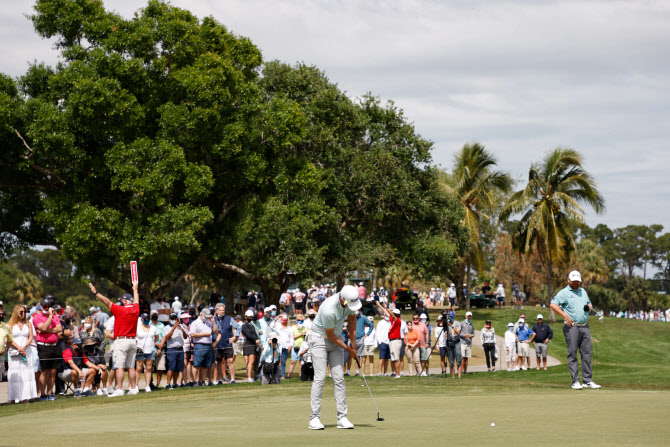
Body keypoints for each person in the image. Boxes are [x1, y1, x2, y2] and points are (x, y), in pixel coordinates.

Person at [307, 284, 361, 430]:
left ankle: (342, 417)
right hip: (319, 339)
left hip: (336, 339)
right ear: (343, 300)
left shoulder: (349, 300)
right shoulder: (328, 309)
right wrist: (348, 349)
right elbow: (329, 335)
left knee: (339, 377)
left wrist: (353, 342)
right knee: (320, 377)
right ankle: (314, 418)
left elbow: (352, 320)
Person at [550, 270, 601, 390]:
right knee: (572, 353)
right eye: (573, 281)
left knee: (587, 353)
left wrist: (589, 307)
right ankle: (575, 381)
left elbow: (589, 303)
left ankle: (587, 381)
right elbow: (553, 304)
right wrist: (565, 316)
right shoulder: (564, 292)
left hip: (585, 326)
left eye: (577, 281)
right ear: (569, 280)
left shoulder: (582, 291)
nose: (576, 283)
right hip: (571, 326)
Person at [89, 281, 140, 397]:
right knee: (131, 367)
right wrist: (135, 289)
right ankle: (133, 388)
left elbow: (106, 301)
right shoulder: (136, 310)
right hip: (132, 340)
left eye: (123, 300)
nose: (122, 301)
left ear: (125, 301)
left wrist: (96, 293)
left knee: (119, 366)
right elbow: (136, 301)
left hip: (121, 340)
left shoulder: (120, 310)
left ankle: (120, 389)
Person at [6, 305, 38, 403]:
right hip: (15, 351)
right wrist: (19, 348)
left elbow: (30, 337)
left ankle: (26, 397)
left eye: (24, 312)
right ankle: (13, 397)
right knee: (15, 373)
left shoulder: (28, 323)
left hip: (26, 350)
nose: (22, 314)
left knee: (26, 373)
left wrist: (24, 347)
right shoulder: (10, 324)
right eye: (20, 312)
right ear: (16, 312)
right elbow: (9, 339)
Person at [33, 296, 62, 400]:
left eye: (49, 306)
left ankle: (50, 393)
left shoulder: (55, 317)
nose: (47, 308)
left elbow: (59, 329)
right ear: (41, 307)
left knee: (53, 371)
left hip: (55, 346)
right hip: (43, 347)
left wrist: (46, 330)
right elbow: (43, 327)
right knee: (44, 371)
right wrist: (50, 317)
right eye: (45, 306)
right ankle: (43, 394)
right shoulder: (37, 317)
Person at [159, 312, 187, 389]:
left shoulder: (180, 326)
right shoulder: (166, 327)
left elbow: (185, 337)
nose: (174, 320)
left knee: (178, 368)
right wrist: (173, 328)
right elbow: (167, 337)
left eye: (175, 319)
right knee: (172, 367)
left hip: (180, 349)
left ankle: (175, 383)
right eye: (172, 319)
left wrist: (183, 330)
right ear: (169, 319)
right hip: (172, 349)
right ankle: (168, 384)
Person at [190, 307, 217, 386]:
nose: (207, 318)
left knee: (206, 364)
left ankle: (202, 381)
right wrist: (204, 334)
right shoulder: (195, 323)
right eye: (206, 317)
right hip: (199, 345)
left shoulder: (209, 322)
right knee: (197, 364)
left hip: (208, 345)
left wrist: (213, 322)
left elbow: (215, 331)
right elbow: (192, 334)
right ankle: (195, 381)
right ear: (201, 314)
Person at [212, 303, 237, 384]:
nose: (222, 312)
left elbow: (238, 327)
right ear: (216, 311)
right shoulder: (213, 319)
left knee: (230, 360)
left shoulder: (229, 319)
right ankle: (220, 379)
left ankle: (232, 379)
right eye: (220, 310)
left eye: (223, 310)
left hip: (228, 344)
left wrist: (235, 337)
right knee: (219, 362)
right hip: (218, 344)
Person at [135, 312, 159, 392]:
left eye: (148, 318)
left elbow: (156, 337)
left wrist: (151, 344)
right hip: (140, 351)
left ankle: (148, 386)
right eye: (145, 319)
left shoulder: (153, 327)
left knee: (149, 368)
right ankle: (135, 386)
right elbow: (134, 339)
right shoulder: (137, 328)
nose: (146, 320)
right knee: (138, 368)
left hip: (150, 350)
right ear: (141, 320)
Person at [241, 309, 260, 382]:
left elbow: (254, 334)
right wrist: (255, 339)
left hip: (253, 344)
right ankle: (249, 377)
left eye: (251, 317)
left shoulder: (251, 325)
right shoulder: (244, 325)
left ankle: (253, 376)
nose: (250, 318)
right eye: (249, 317)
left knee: (253, 361)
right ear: (245, 317)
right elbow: (248, 335)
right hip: (248, 344)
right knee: (251, 361)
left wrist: (257, 340)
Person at [353, 310, 374, 376]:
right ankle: (351, 372)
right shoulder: (351, 316)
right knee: (351, 356)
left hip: (360, 338)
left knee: (358, 355)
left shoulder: (363, 317)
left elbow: (371, 325)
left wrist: (367, 334)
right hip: (352, 338)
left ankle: (357, 372)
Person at [275, 313, 294, 379]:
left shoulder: (289, 328)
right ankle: (276, 374)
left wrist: (291, 345)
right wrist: (277, 318)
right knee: (276, 360)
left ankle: (282, 375)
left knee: (283, 361)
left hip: (286, 347)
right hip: (278, 346)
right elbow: (271, 326)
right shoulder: (278, 326)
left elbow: (291, 337)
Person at [287, 315, 307, 379]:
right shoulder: (293, 327)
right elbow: (293, 337)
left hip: (302, 347)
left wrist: (305, 334)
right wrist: (301, 334)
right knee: (293, 361)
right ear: (296, 320)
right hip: (295, 346)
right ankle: (288, 375)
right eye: (299, 320)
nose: (300, 321)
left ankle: (301, 375)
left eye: (302, 320)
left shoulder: (304, 327)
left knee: (301, 362)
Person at [445, 311, 462, 378]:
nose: (450, 318)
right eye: (449, 317)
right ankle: (452, 376)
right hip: (450, 342)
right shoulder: (447, 324)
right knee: (451, 359)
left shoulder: (457, 323)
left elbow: (458, 332)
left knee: (458, 358)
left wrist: (451, 326)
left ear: (454, 316)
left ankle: (459, 375)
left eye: (452, 317)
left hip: (456, 342)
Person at [375, 312, 391, 376]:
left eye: (388, 315)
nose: (387, 316)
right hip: (383, 343)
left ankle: (385, 372)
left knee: (387, 359)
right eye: (386, 315)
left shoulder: (391, 322)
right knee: (381, 358)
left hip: (389, 342)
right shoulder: (380, 322)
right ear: (384, 315)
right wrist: (380, 342)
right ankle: (379, 372)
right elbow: (377, 332)